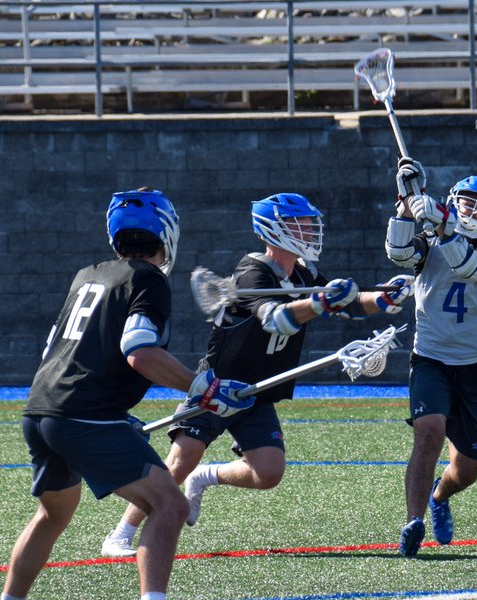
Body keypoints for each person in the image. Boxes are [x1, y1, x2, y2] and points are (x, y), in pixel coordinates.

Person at [0, 188, 255, 600]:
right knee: (170, 504)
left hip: (42, 408)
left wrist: (111, 415)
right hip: (83, 414)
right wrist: (202, 387)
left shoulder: (87, 275)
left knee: (53, 513)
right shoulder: (148, 280)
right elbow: (139, 352)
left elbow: (60, 350)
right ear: (166, 234)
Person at [100, 192, 413, 556]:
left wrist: (385, 298)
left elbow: (351, 304)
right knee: (181, 459)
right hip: (219, 385)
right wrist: (319, 303)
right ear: (275, 228)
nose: (310, 231)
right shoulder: (252, 271)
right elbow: (277, 320)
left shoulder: (304, 273)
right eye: (302, 224)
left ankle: (207, 478)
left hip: (259, 390)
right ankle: (120, 534)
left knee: (268, 473)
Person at [385, 158, 477, 557]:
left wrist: (442, 221)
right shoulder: (431, 240)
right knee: (428, 433)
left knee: (467, 471)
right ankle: (413, 521)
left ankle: (440, 495)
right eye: (467, 203)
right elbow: (398, 252)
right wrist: (405, 202)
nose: (473, 212)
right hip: (430, 358)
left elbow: (465, 265)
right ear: (454, 201)